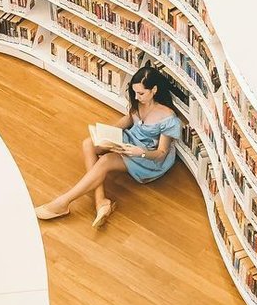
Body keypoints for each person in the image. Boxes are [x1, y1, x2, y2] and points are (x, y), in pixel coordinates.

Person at [34, 63, 183, 228]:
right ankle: (101, 201)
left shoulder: (169, 118)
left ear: (154, 90)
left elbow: (162, 152)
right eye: (134, 92)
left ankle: (63, 203)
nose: (137, 97)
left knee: (105, 162)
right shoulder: (138, 101)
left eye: (141, 93)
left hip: (149, 157)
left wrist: (140, 153)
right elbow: (128, 119)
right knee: (89, 143)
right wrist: (107, 134)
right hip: (131, 141)